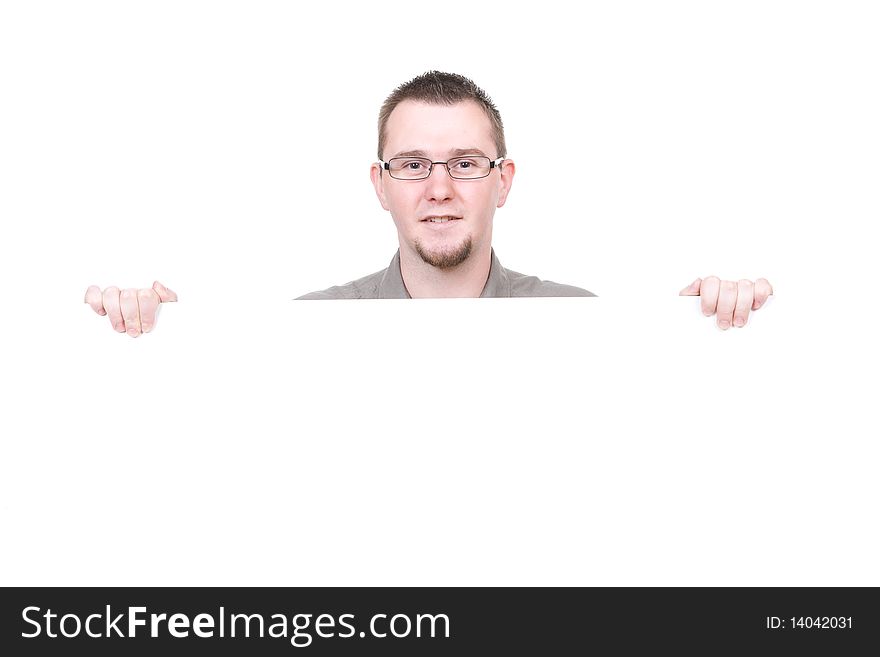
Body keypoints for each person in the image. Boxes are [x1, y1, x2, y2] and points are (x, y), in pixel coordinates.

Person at [83, 72, 772, 333]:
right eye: (412, 165)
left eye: (466, 164)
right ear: (379, 184)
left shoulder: (579, 322)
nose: (438, 188)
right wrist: (152, 345)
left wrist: (716, 329)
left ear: (503, 181)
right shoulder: (309, 334)